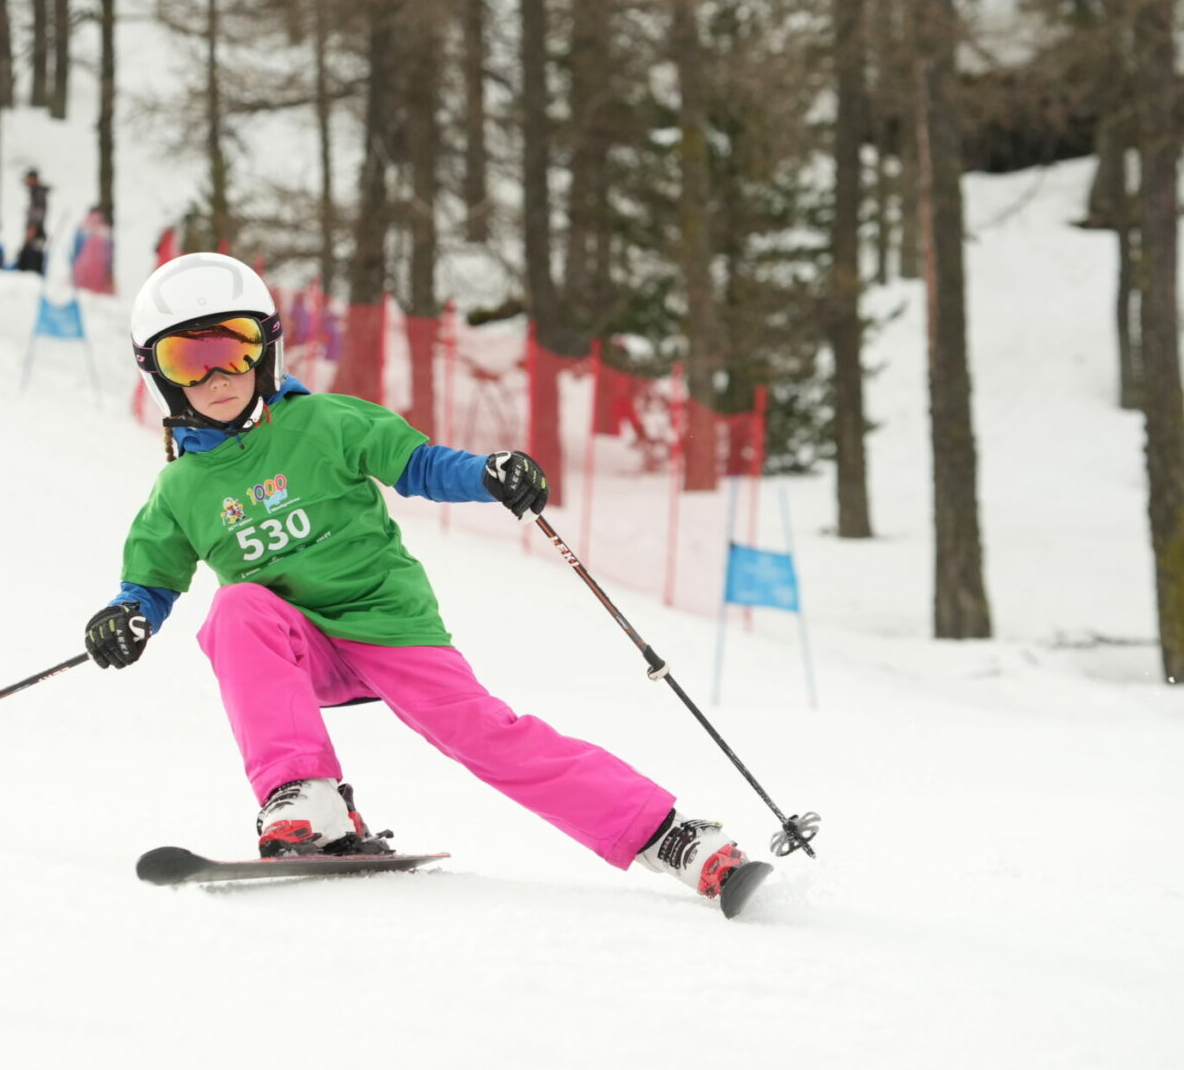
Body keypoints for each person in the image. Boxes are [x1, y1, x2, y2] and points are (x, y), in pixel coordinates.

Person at [79, 252, 755, 906]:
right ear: (160, 376)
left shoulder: (327, 421)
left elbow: (420, 465)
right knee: (236, 607)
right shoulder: (180, 488)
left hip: (390, 626)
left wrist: (487, 474)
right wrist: (127, 616)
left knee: (485, 734)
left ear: (267, 350)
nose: (217, 375)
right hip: (299, 647)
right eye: (188, 361)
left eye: (234, 349)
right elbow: (151, 581)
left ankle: (671, 837)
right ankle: (305, 799)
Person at [70, 206, 115, 294]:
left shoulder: (82, 228)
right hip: (98, 273)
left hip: (82, 270)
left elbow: (76, 249)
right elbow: (109, 256)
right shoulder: (105, 232)